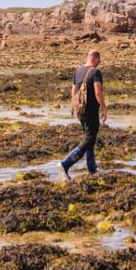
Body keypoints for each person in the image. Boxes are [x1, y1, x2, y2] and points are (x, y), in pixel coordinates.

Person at [57, 49, 107, 179]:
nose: (99, 63)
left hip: (81, 110)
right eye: (99, 60)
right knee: (90, 139)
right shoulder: (95, 72)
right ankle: (66, 163)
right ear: (95, 59)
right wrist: (103, 108)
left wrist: (75, 109)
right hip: (91, 110)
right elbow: (97, 92)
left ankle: (92, 170)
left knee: (88, 139)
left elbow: (73, 92)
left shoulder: (78, 71)